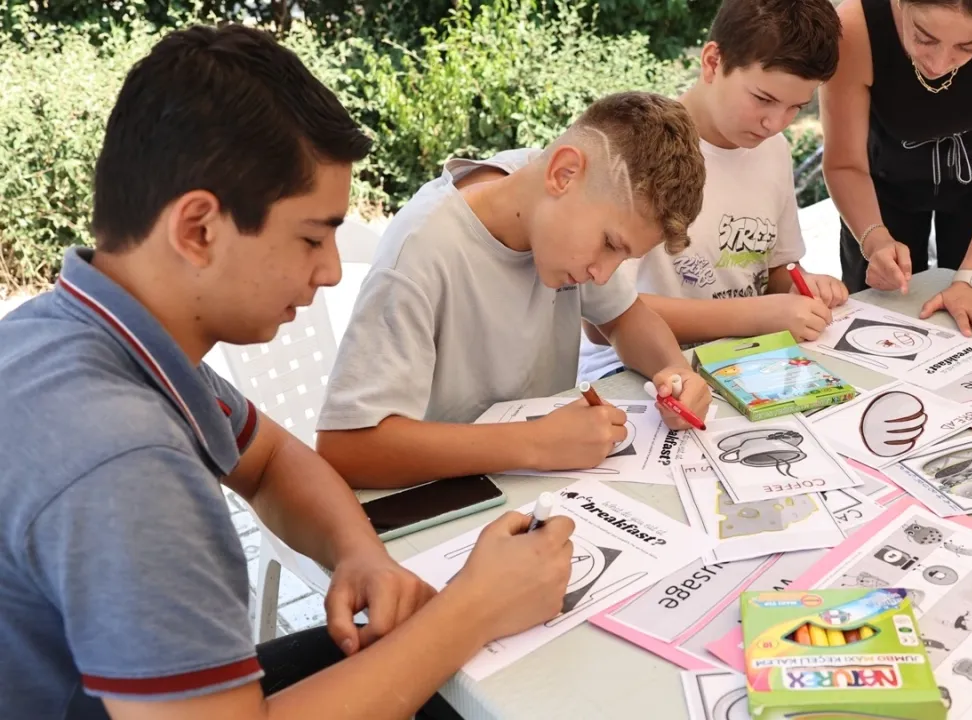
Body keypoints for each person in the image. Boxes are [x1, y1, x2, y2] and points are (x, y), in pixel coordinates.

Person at [0, 25, 575, 720]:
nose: (331, 271)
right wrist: (476, 609)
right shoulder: (126, 459)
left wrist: (360, 553)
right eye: (311, 236)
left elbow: (271, 459)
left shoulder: (87, 334)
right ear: (198, 230)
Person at [315, 92, 713, 489]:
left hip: (542, 484)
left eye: (624, 257)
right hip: (443, 494)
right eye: (609, 244)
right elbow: (346, 448)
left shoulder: (552, 194)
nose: (603, 274)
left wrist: (675, 373)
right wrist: (537, 443)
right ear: (563, 174)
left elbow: (625, 318)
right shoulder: (420, 254)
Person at [576, 0, 850, 382]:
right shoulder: (637, 147)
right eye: (764, 99)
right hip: (637, 372)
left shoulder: (774, 150)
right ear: (712, 61)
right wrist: (758, 315)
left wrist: (802, 286)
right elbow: (601, 317)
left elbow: (775, 268)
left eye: (796, 107)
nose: (775, 123)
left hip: (747, 361)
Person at [820, 0, 972, 339]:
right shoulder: (856, 25)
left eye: (969, 46)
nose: (939, 64)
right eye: (924, 37)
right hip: (881, 186)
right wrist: (875, 240)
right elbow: (845, 162)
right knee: (880, 311)